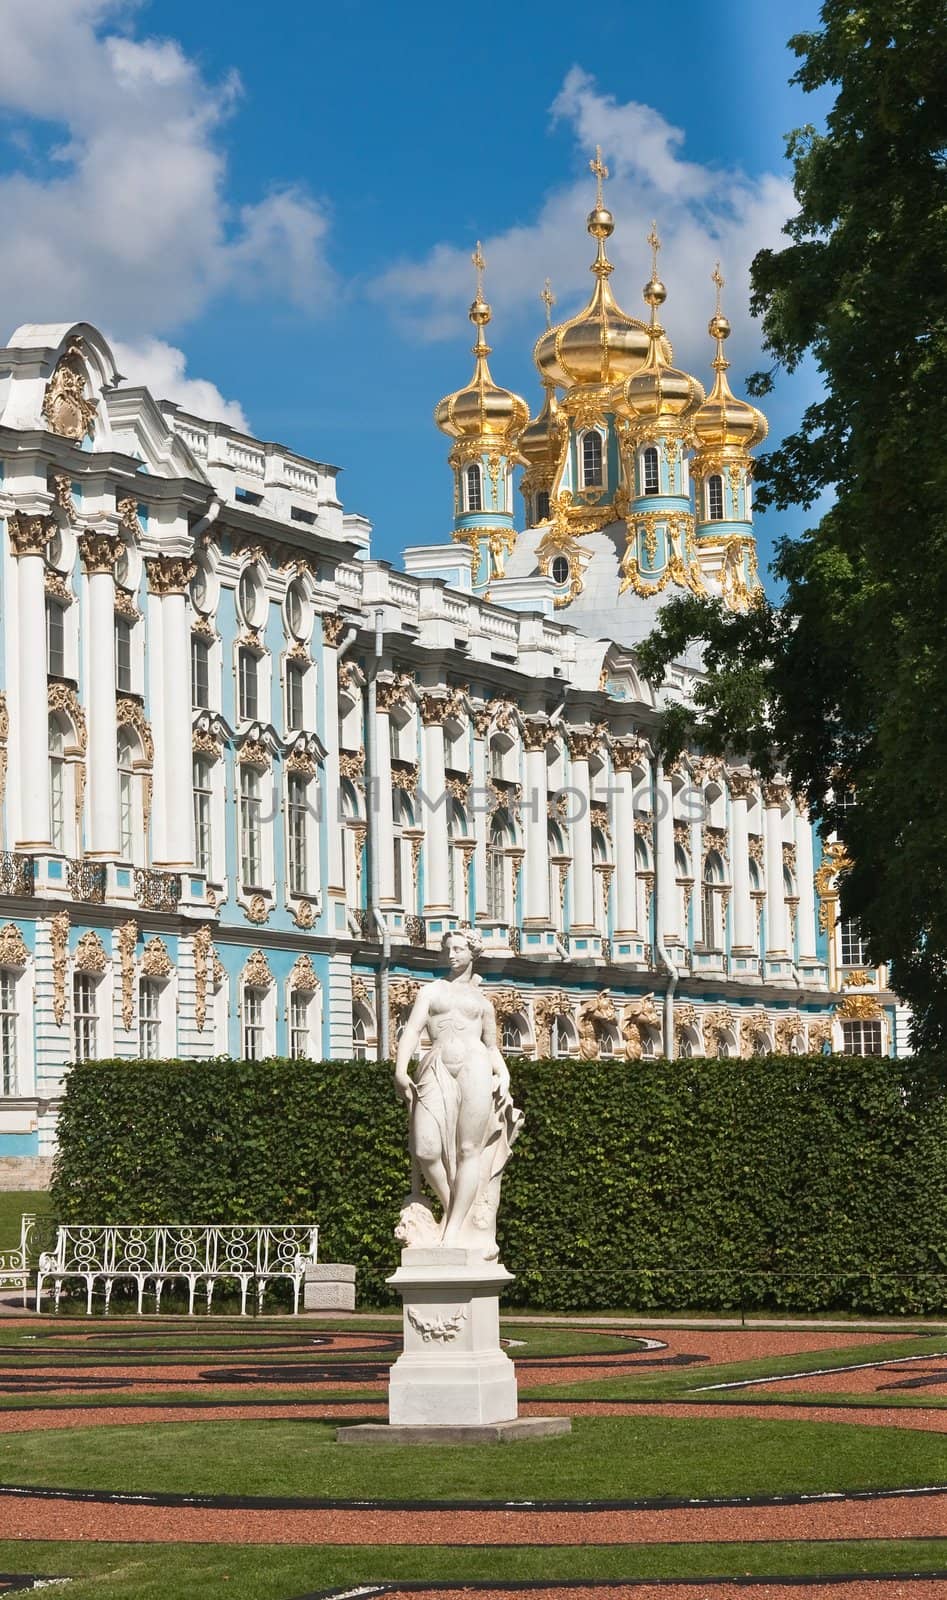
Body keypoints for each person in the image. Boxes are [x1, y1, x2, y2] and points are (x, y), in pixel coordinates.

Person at [394, 928, 523, 1256]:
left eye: (458, 949)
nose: (451, 955)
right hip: (435, 1064)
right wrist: (399, 1069)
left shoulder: (483, 1002)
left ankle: (452, 1232)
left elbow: (492, 1047)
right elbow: (411, 1030)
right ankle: (455, 1211)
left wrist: (504, 1075)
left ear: (472, 953)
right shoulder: (431, 991)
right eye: (448, 949)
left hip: (475, 1065)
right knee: (425, 1149)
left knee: (469, 1150)